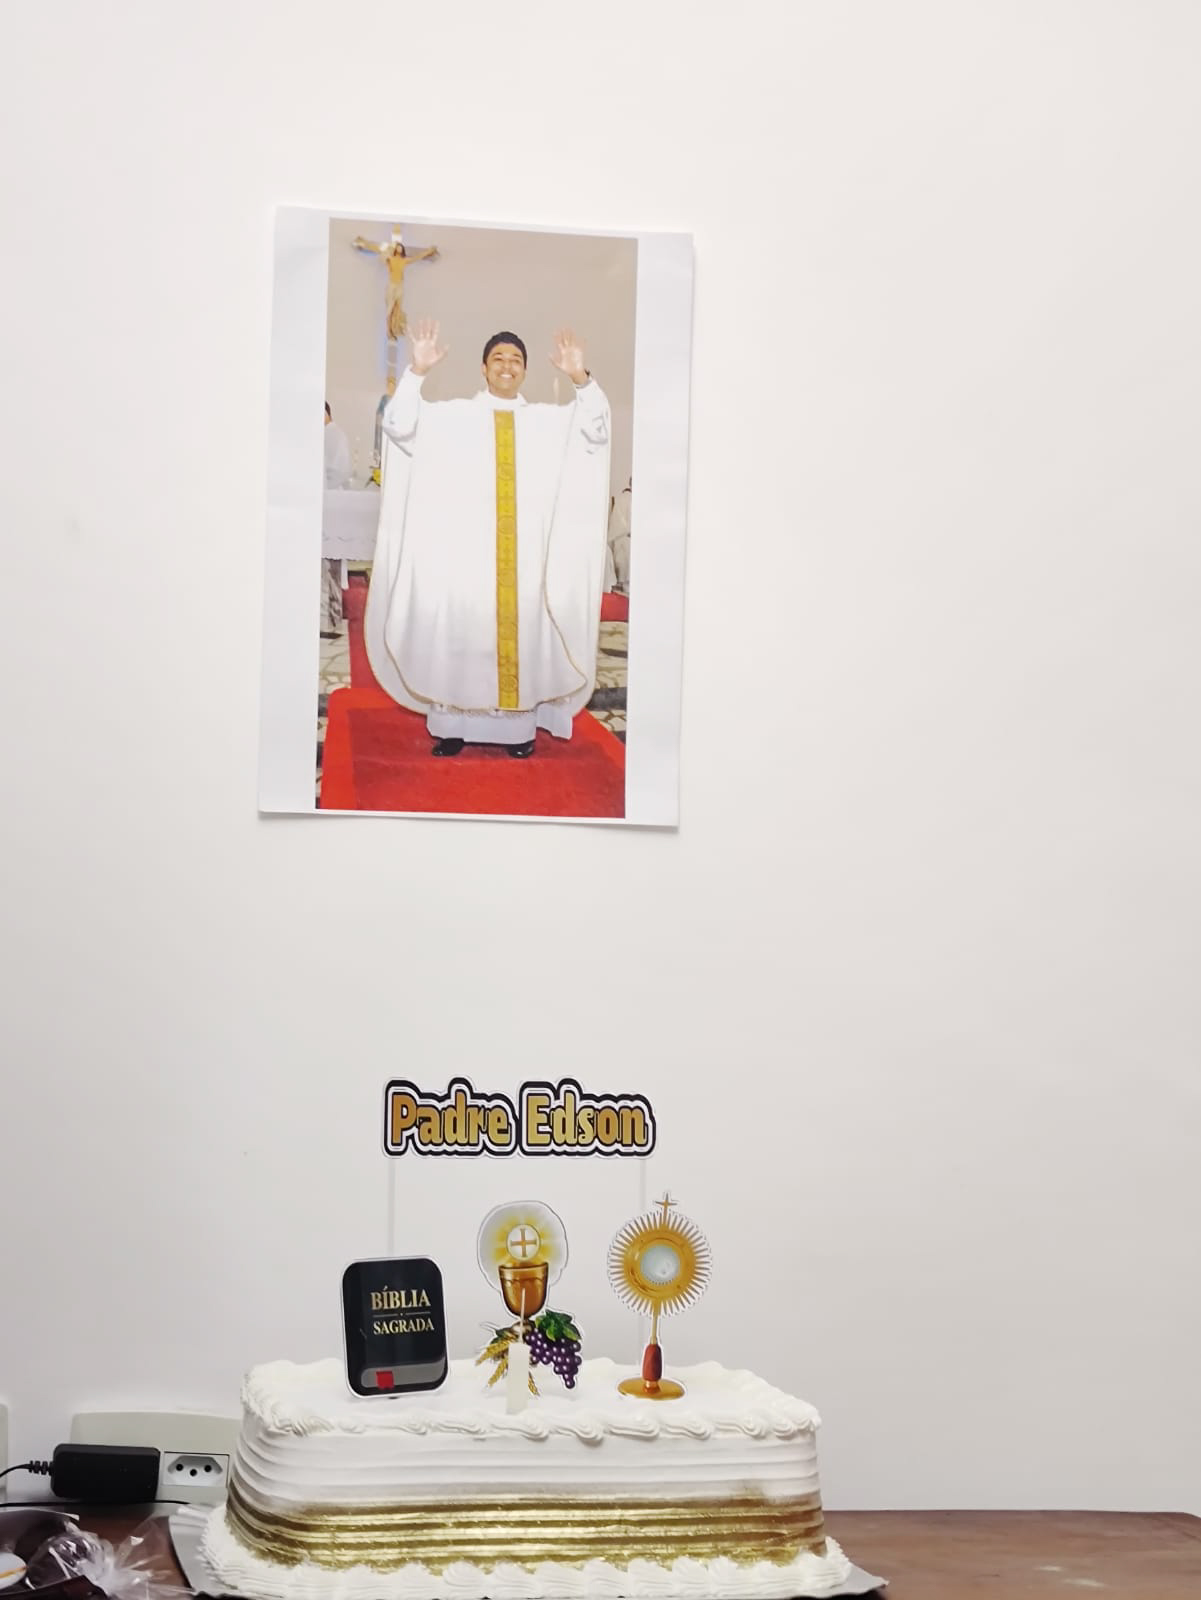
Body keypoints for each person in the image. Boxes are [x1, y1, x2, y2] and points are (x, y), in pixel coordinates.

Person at [365, 319, 611, 757]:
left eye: (516, 359)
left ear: (525, 371)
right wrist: (416, 371)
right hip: (467, 558)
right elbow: (399, 425)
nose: (506, 365)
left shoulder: (546, 422)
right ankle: (453, 728)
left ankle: (517, 732)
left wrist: (579, 376)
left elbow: (596, 431)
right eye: (498, 358)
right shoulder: (454, 416)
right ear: (483, 368)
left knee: (520, 637)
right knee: (462, 635)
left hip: (524, 561)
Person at [324, 402, 351, 488]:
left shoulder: (332, 433)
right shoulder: (335, 432)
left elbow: (339, 471)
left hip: (330, 488)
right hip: (331, 488)